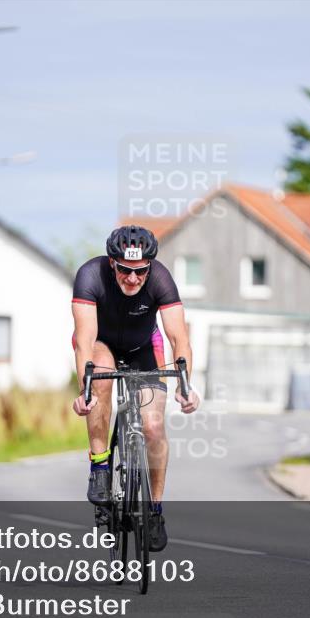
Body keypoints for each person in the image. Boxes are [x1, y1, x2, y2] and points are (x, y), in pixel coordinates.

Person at [71, 225, 201, 552]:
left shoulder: (160, 278)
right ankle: (100, 464)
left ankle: (154, 510)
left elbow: (178, 338)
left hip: (144, 347)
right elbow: (84, 339)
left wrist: (185, 385)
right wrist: (84, 390)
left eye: (140, 271)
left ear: (149, 267)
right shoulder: (90, 275)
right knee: (99, 375)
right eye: (125, 270)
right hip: (103, 344)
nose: (133, 279)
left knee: (153, 426)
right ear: (112, 263)